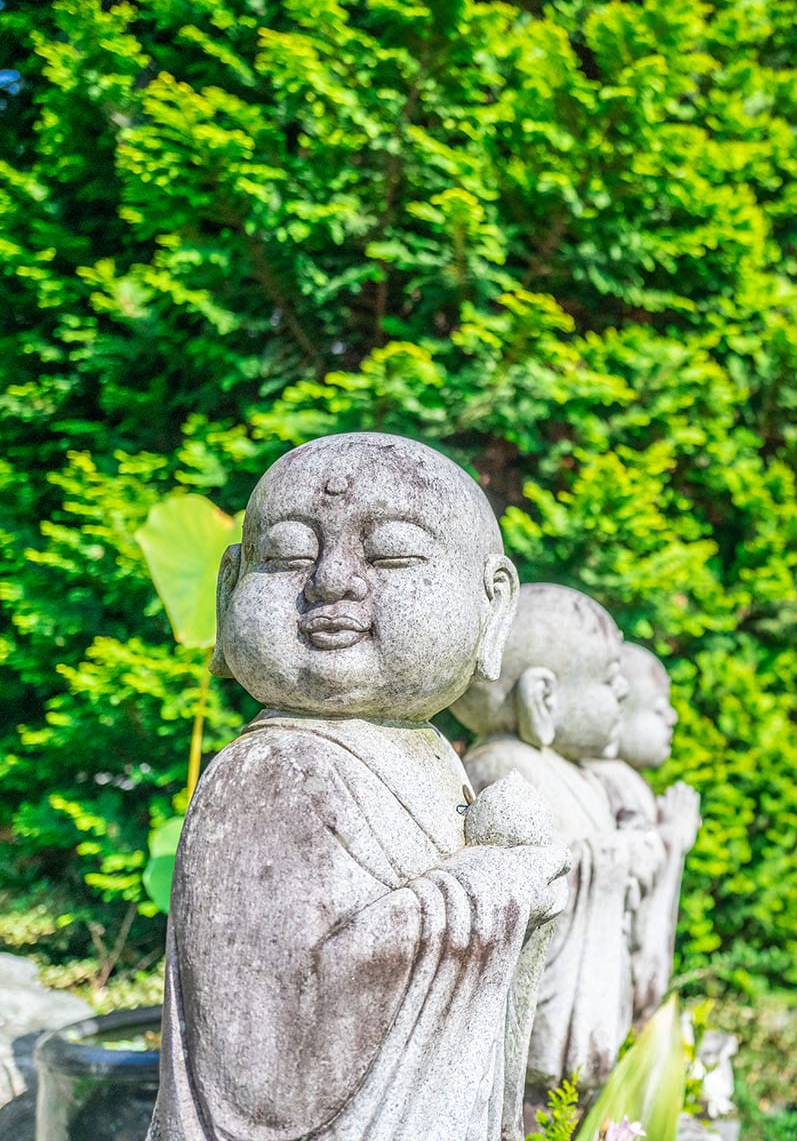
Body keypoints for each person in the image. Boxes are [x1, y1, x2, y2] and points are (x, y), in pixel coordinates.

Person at [150, 433, 570, 1141]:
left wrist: (522, 889)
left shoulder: (423, 751)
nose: (333, 580)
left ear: (492, 604)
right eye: (286, 556)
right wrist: (492, 880)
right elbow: (270, 1072)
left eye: (392, 554)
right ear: (229, 591)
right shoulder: (270, 774)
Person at [455, 585, 657, 1090]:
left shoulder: (572, 773)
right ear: (541, 698)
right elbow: (541, 889)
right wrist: (613, 861)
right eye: (609, 679)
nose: (623, 694)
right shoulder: (504, 768)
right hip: (530, 1050)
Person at [583, 643, 700, 1019]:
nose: (673, 716)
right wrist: (672, 839)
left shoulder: (623, 783)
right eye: (658, 706)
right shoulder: (610, 787)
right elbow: (639, 946)